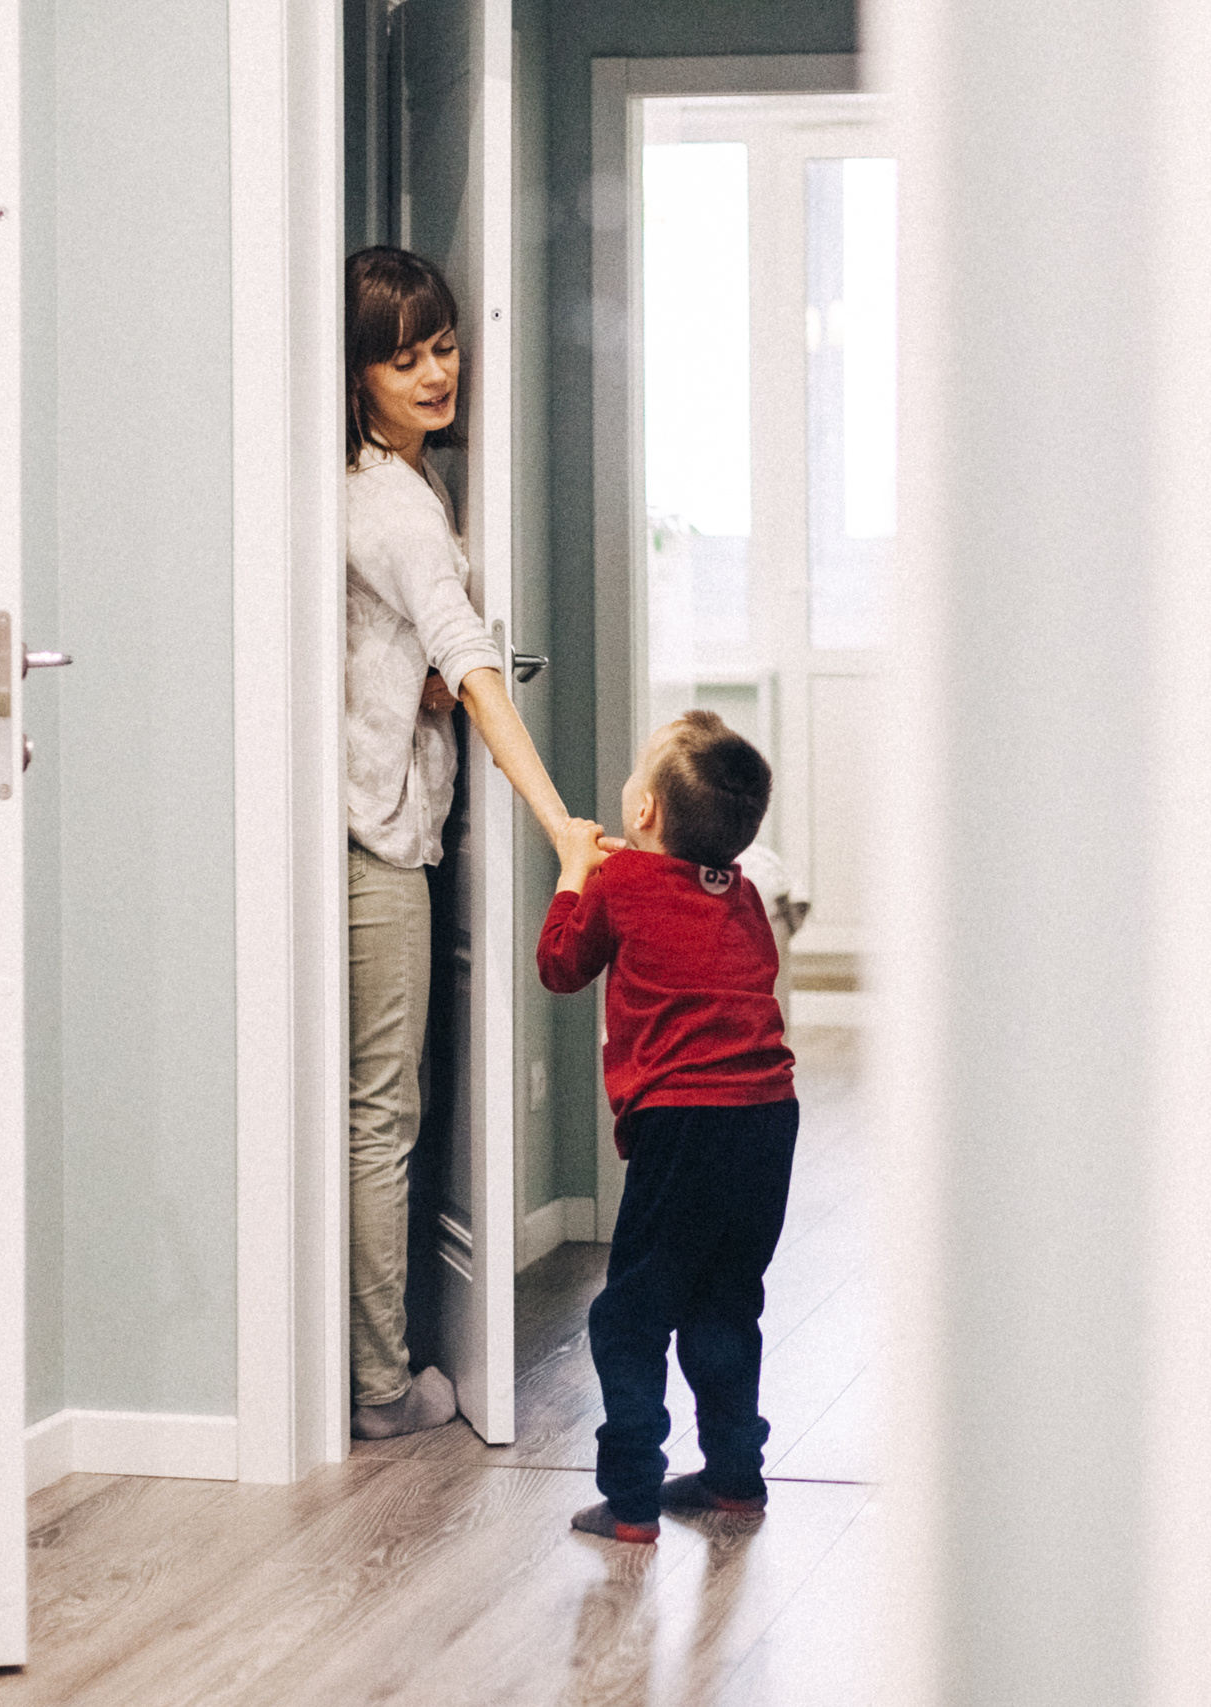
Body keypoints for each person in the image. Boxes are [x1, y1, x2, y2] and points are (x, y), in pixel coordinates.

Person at [343, 245, 605, 1440]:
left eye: (442, 346)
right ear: (359, 378)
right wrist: (561, 825)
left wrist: (424, 691)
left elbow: (402, 656)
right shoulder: (397, 506)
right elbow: (473, 660)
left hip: (382, 824)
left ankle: (370, 1365)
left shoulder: (381, 481)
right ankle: (380, 1387)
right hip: (375, 846)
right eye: (404, 359)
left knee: (379, 1110)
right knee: (383, 1115)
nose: (436, 373)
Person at [537, 710, 799, 1543]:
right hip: (767, 1118)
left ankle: (632, 1497)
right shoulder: (748, 894)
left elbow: (560, 965)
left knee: (632, 1313)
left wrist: (575, 869)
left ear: (644, 814)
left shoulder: (621, 883)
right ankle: (732, 1476)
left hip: (685, 1120)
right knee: (726, 1302)